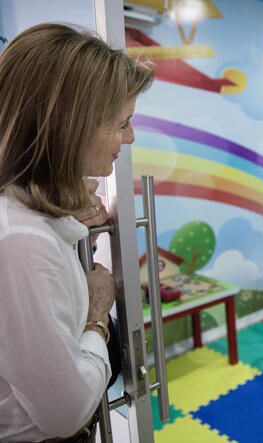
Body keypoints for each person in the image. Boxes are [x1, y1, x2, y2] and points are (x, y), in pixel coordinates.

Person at [0, 23, 154, 441]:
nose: (131, 136)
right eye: (122, 123)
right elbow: (64, 411)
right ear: (73, 125)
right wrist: (96, 316)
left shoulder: (24, 214)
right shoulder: (20, 240)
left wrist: (64, 211)